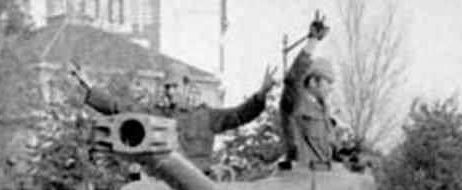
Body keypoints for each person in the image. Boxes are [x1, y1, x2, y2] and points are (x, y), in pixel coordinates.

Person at [76, 61, 276, 171]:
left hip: (202, 187)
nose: (170, 92)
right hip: (162, 187)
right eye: (167, 87)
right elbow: (120, 108)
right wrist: (89, 87)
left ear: (187, 86)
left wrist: (260, 95)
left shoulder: (206, 116)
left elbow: (238, 115)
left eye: (175, 87)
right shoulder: (155, 115)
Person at [280, 13, 337, 170]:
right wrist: (312, 41)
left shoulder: (324, 111)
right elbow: (292, 78)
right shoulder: (296, 102)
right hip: (300, 183)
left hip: (323, 183)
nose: (331, 89)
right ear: (313, 82)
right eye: (328, 83)